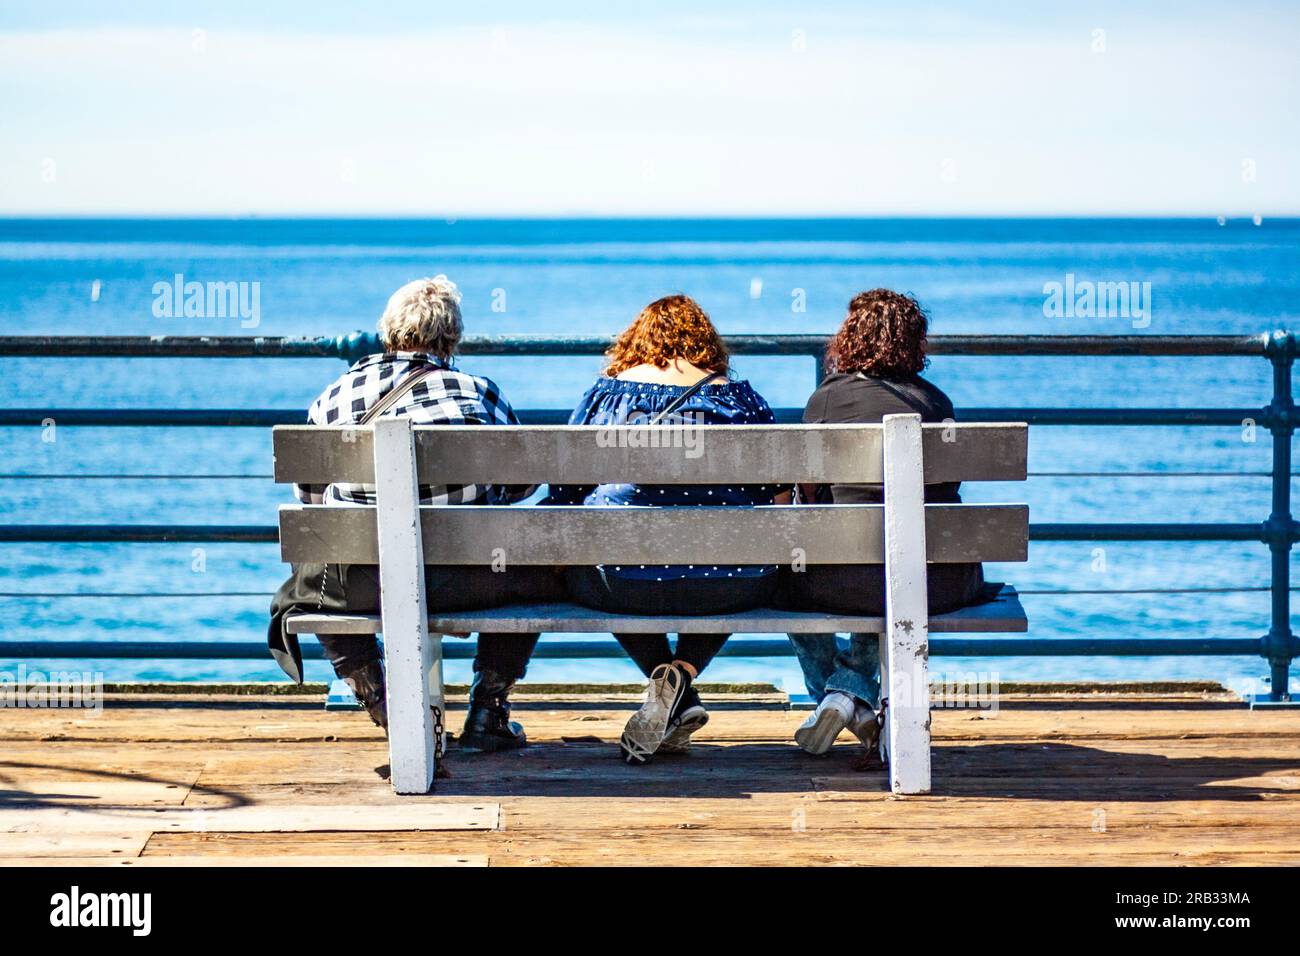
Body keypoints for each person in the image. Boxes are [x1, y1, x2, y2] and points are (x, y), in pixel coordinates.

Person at [267, 275, 565, 755]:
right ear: (452, 338)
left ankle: (387, 707)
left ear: (387, 331)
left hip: (367, 582)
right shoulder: (479, 393)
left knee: (311, 581)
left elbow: (312, 500)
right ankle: (489, 707)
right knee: (540, 558)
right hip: (472, 579)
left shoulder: (336, 396)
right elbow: (521, 487)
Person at [548, 294, 789, 764]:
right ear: (706, 343)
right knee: (747, 561)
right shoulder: (739, 399)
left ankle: (670, 684)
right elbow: (778, 502)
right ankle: (682, 677)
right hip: (731, 587)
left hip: (621, 585)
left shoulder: (607, 395)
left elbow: (564, 490)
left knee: (595, 554)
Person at [785, 289, 989, 757]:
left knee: (795, 580)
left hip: (844, 582)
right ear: (914, 343)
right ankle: (851, 696)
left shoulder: (826, 401)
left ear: (848, 338)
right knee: (887, 566)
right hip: (934, 579)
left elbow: (807, 496)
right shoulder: (938, 404)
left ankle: (839, 696)